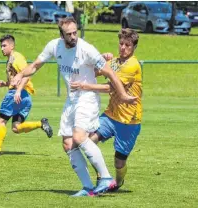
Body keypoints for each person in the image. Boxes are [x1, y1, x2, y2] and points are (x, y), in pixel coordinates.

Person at [10, 17, 137, 196]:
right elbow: (36, 65)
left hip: (87, 98)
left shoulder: (86, 49)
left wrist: (123, 95)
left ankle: (106, 177)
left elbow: (109, 71)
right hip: (72, 99)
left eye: (75, 32)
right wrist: (19, 75)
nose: (73, 36)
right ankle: (87, 187)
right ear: (61, 34)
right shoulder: (55, 46)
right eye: (69, 34)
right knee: (68, 143)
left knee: (79, 136)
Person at [70, 28, 142, 192]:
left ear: (134, 47)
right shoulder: (115, 61)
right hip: (110, 116)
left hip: (129, 120)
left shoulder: (132, 65)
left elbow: (111, 88)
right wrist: (101, 58)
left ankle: (118, 181)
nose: (123, 47)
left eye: (127, 45)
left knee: (119, 162)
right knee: (87, 140)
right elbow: (93, 73)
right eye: (121, 43)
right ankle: (103, 178)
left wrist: (85, 86)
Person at [0, 34, 53, 156]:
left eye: (4, 45)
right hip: (25, 96)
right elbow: (16, 79)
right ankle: (41, 123)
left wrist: (17, 91)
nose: (2, 48)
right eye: (1, 46)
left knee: (1, 121)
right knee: (16, 128)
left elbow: (27, 75)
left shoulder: (17, 58)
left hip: (17, 94)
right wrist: (5, 84)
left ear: (12, 46)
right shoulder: (11, 59)